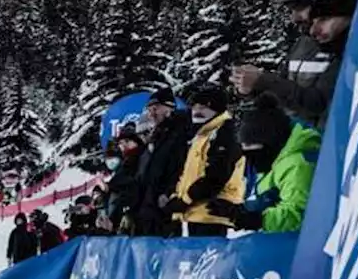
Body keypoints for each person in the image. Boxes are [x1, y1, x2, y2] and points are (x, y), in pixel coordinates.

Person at [231, 0, 344, 129]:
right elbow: (282, 92)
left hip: (323, 142)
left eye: (300, 7)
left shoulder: (341, 47)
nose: (294, 18)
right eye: (291, 10)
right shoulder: (302, 44)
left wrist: (265, 80)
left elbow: (319, 104)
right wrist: (252, 89)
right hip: (296, 139)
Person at [209, 93, 321, 233]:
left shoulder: (297, 165)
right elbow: (267, 198)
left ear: (270, 144)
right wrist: (239, 210)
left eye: (253, 151)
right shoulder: (273, 162)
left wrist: (257, 220)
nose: (250, 159)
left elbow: (299, 216)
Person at [163, 83, 246, 238]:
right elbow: (188, 173)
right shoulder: (202, 134)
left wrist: (186, 199)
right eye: (194, 107)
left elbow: (217, 175)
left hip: (213, 213)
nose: (197, 112)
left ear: (217, 109)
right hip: (194, 213)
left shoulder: (225, 132)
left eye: (203, 107)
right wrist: (176, 196)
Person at [134, 88, 191, 237]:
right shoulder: (158, 136)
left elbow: (181, 167)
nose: (152, 114)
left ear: (169, 108)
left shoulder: (180, 132)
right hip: (149, 205)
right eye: (149, 110)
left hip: (165, 206)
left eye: (155, 108)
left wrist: (169, 192)